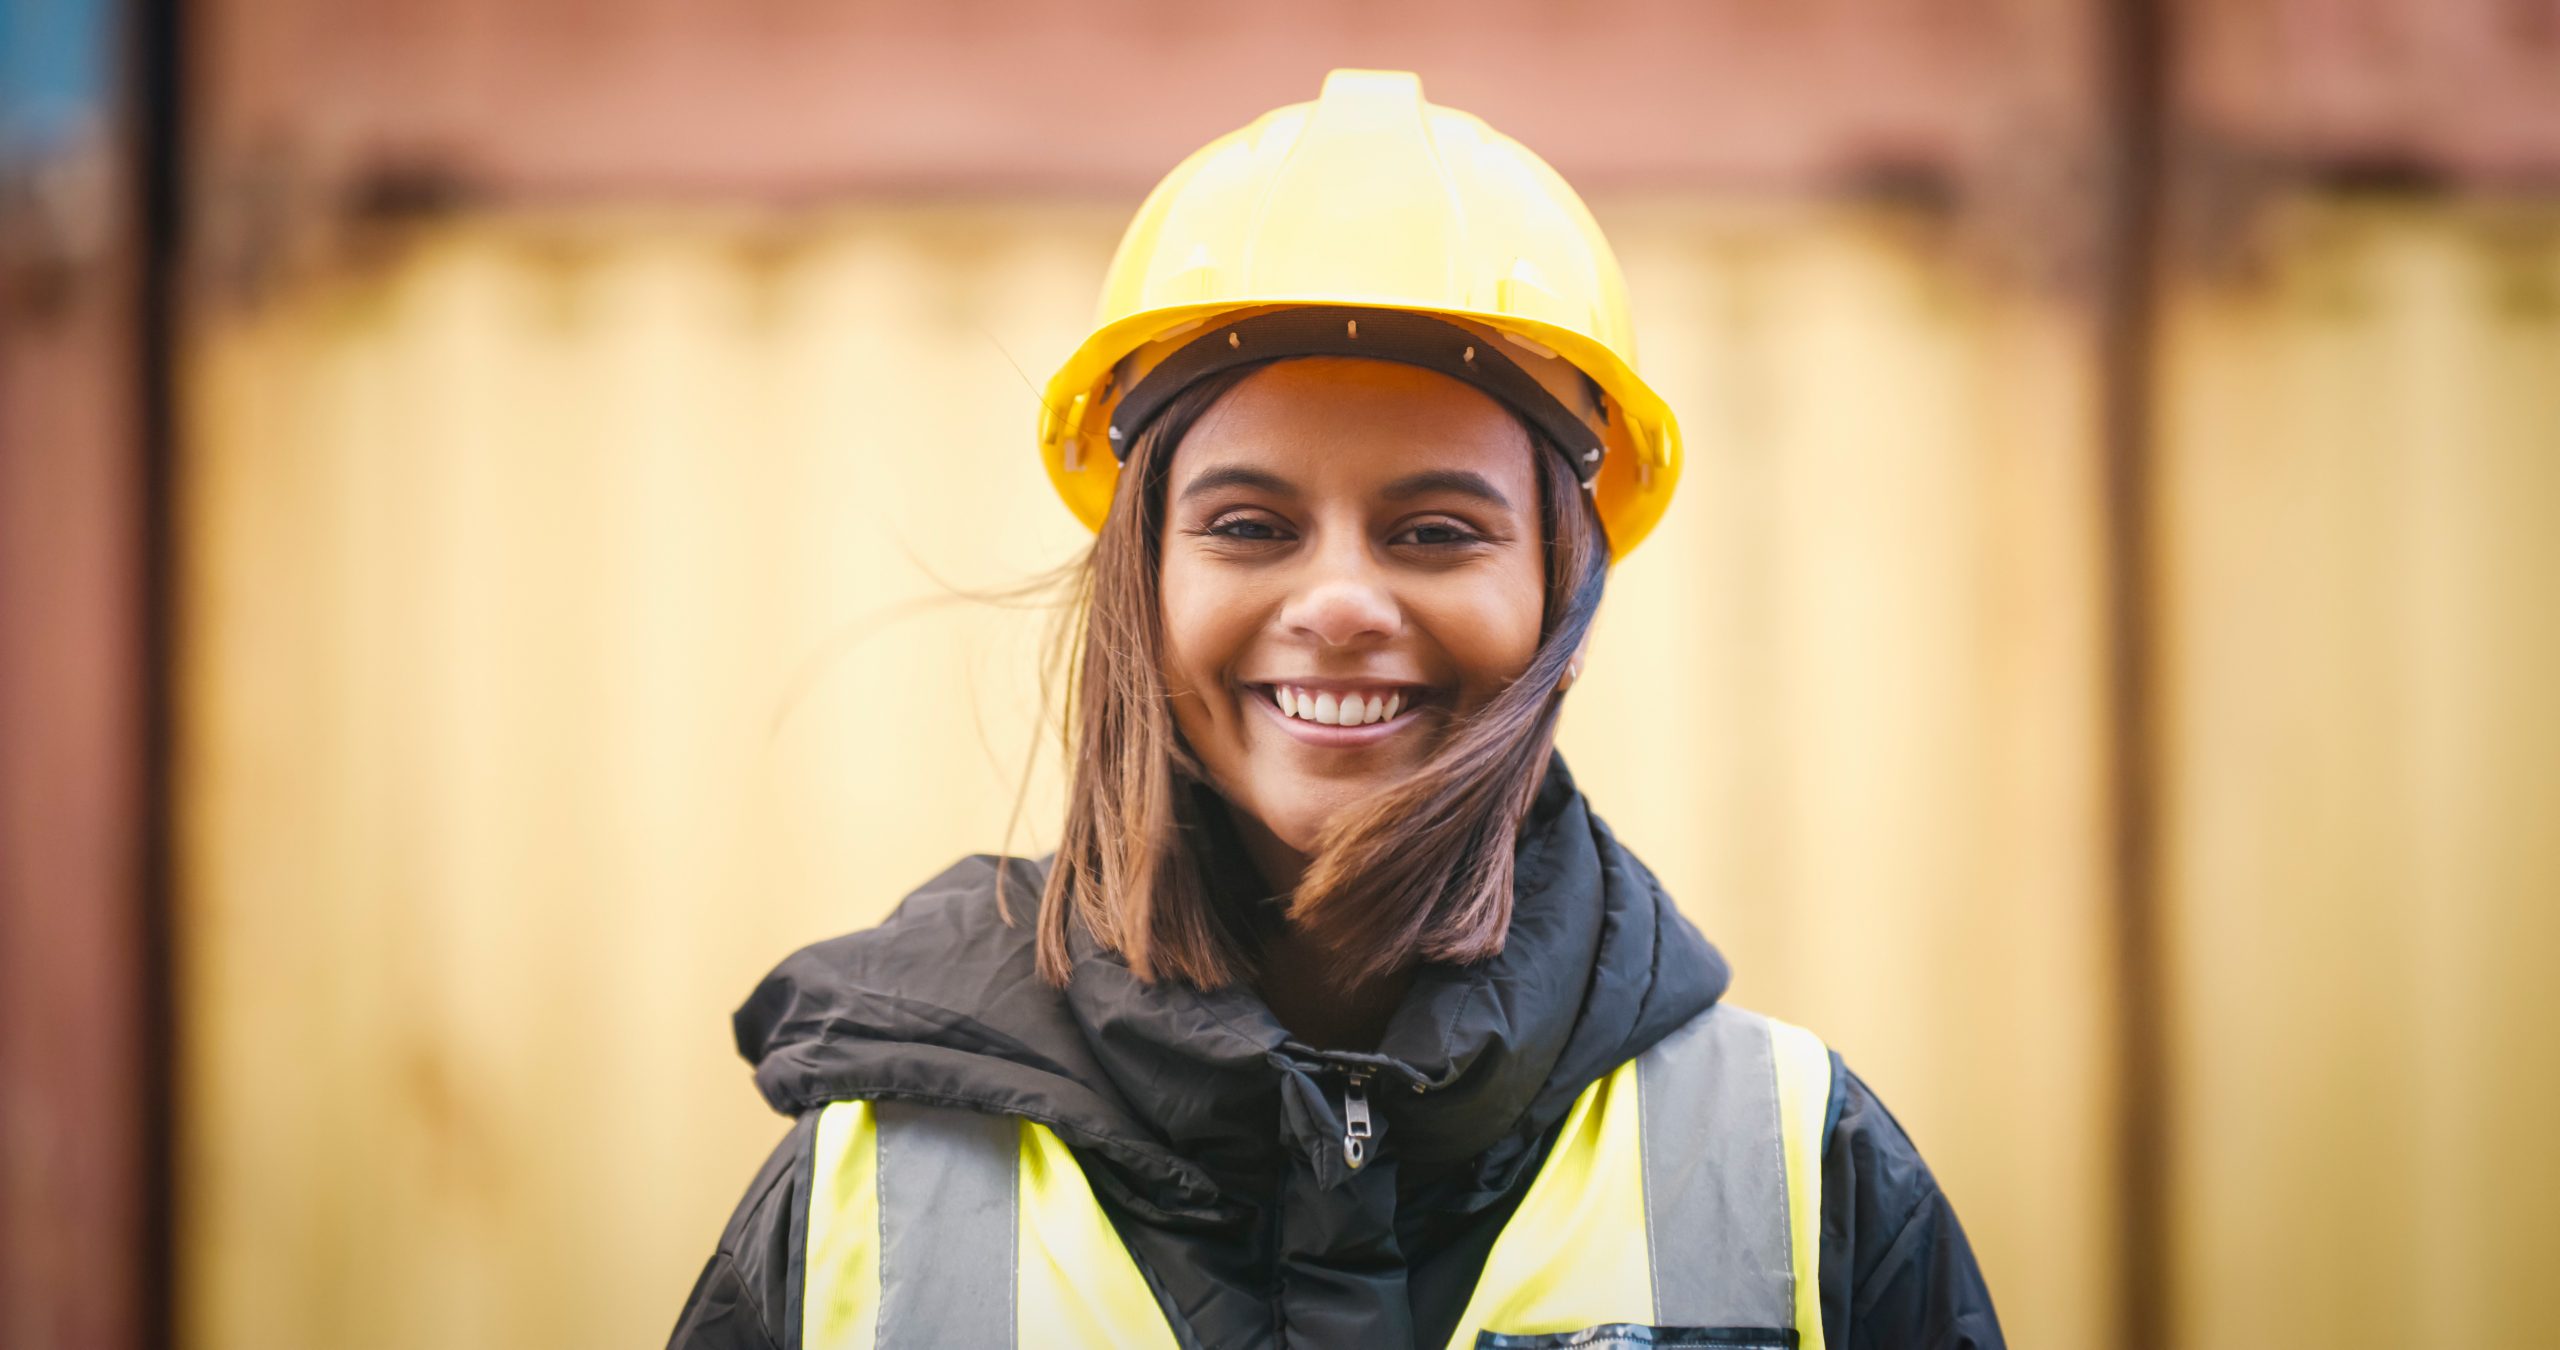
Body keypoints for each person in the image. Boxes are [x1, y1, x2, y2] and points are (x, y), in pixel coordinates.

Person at [667, 69, 2003, 1350]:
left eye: (1434, 529)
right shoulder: (862, 1201)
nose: (1344, 600)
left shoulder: (1805, 1180)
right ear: (1142, 590)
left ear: (1565, 600)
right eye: (1251, 525)